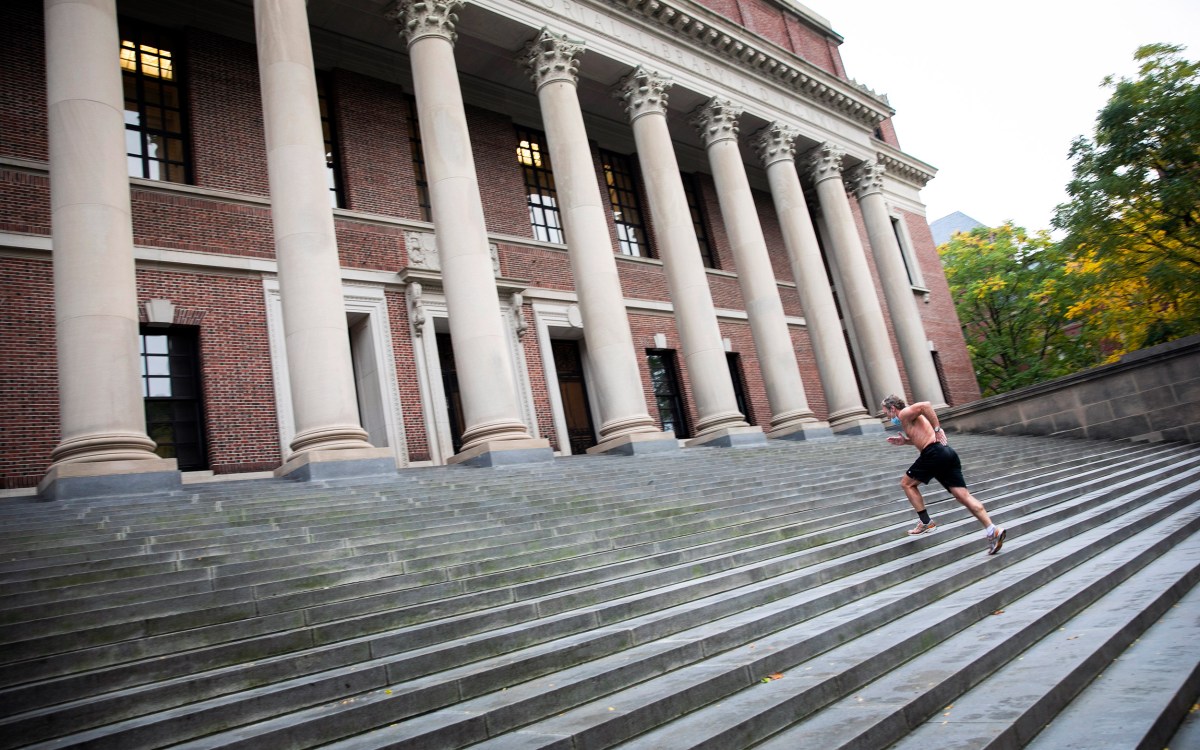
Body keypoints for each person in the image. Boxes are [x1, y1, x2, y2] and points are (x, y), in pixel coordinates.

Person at [881, 394, 1007, 555]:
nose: (888, 417)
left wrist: (937, 429)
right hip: (946, 453)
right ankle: (992, 530)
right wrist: (905, 442)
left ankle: (926, 522)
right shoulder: (908, 419)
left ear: (893, 408)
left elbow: (925, 404)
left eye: (886, 413)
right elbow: (920, 436)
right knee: (962, 496)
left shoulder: (904, 413)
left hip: (932, 453)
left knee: (907, 484)